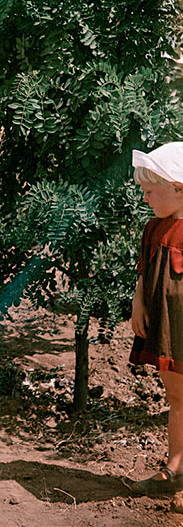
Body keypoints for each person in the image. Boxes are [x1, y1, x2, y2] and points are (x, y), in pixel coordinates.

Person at [129, 142, 183, 496]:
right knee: (176, 396)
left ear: (178, 187)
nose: (146, 198)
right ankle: (176, 467)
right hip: (166, 325)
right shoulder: (153, 228)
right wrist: (138, 303)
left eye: (151, 191)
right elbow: (145, 273)